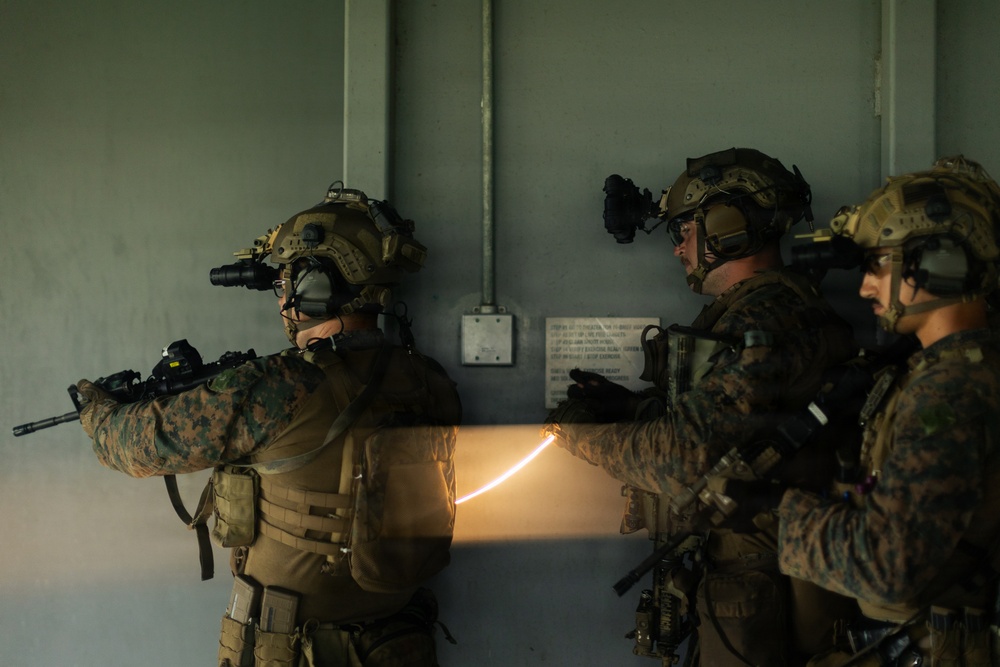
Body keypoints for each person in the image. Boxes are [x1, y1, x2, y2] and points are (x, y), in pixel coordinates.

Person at [75, 185, 463, 667]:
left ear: (316, 287)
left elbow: (135, 446)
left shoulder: (282, 384)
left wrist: (97, 411)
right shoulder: (430, 381)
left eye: (287, 283)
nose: (282, 299)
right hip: (396, 644)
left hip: (298, 651)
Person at [544, 147, 858, 666]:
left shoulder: (764, 319)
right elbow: (732, 426)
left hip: (767, 586)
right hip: (759, 574)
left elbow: (683, 458)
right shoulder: (768, 310)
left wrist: (576, 436)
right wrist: (629, 407)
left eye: (684, 230)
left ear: (727, 227)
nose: (678, 249)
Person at [774, 157, 1000, 666]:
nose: (865, 287)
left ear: (939, 263)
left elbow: (886, 569)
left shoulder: (953, 389)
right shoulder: (947, 369)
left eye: (878, 264)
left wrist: (778, 510)